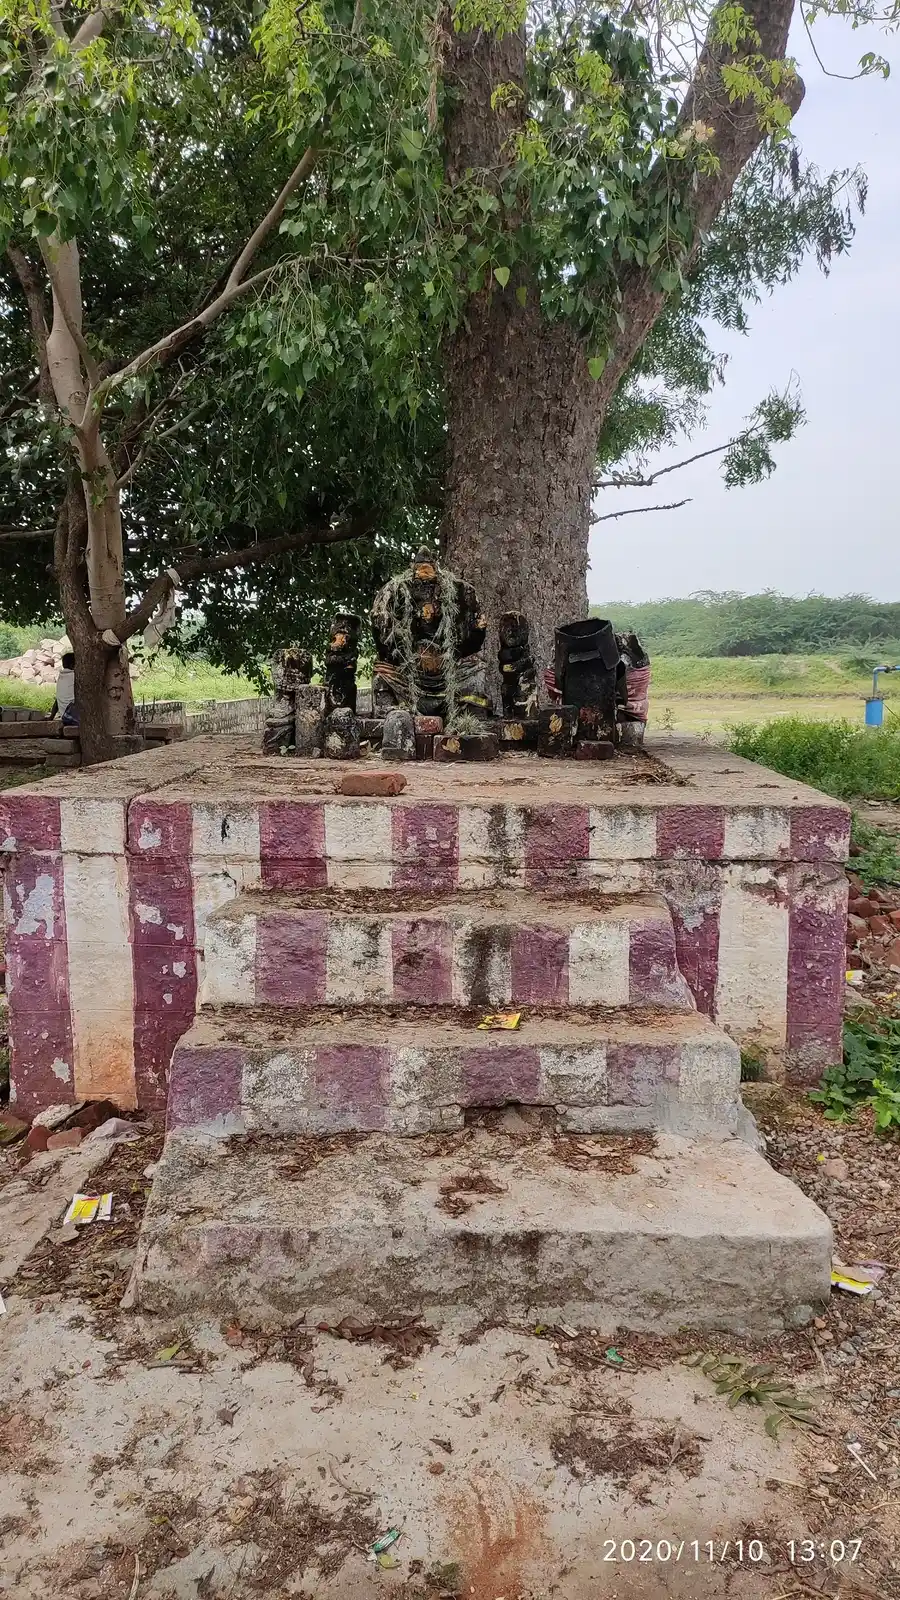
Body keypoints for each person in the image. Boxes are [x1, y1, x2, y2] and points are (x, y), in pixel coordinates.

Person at [51, 651, 78, 725]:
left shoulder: (61, 676)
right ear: (73, 665)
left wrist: (51, 716)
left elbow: (57, 699)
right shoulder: (75, 676)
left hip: (65, 716)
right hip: (73, 715)